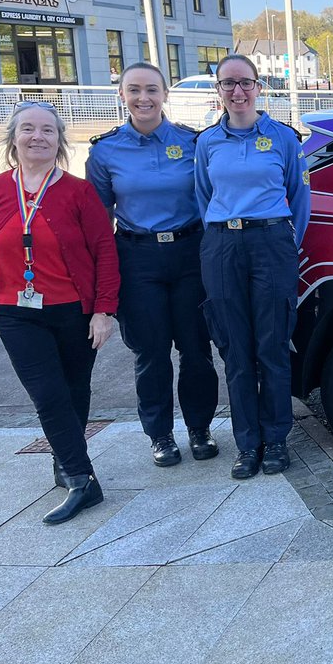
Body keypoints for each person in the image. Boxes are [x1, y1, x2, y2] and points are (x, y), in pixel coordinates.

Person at [0, 101, 118, 524]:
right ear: (14, 138)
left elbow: (104, 250)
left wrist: (103, 310)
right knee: (47, 394)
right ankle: (83, 479)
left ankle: (65, 462)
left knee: (74, 391)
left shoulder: (78, 191)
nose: (37, 137)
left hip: (73, 310)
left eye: (47, 130)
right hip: (14, 311)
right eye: (28, 129)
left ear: (59, 141)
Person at [86, 62, 220, 468]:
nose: (143, 98)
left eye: (151, 90)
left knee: (196, 349)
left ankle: (200, 428)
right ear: (121, 95)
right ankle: (160, 434)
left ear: (165, 95)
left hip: (189, 253)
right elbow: (97, 221)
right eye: (134, 90)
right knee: (151, 352)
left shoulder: (193, 142)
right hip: (137, 256)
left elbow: (212, 198)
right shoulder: (105, 150)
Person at [195, 54, 310, 479]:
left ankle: (276, 439)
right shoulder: (207, 142)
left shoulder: (282, 138)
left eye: (246, 83)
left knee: (273, 345)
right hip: (224, 244)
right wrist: (222, 236)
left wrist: (285, 242)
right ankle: (248, 443)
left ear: (260, 87)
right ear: (219, 90)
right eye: (228, 84)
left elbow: (299, 198)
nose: (238, 91)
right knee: (235, 350)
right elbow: (202, 196)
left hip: (271, 243)